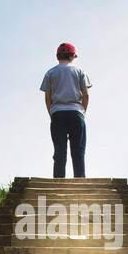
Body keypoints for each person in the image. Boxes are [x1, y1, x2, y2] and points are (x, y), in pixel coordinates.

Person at [39, 42, 91, 178]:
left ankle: (58, 183)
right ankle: (79, 183)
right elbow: (86, 94)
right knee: (78, 152)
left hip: (57, 114)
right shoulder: (79, 71)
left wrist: (52, 113)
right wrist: (82, 112)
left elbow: (47, 97)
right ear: (72, 56)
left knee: (59, 152)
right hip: (76, 113)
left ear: (58, 56)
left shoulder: (51, 72)